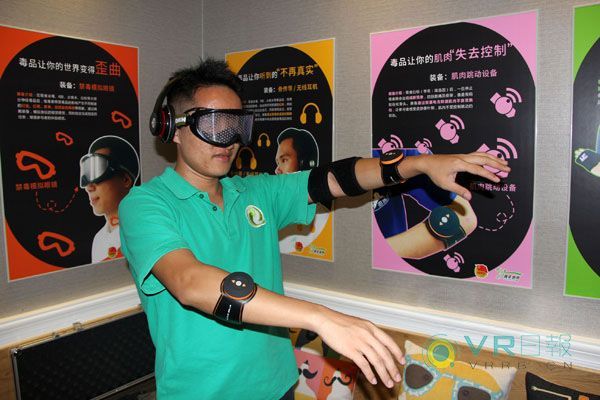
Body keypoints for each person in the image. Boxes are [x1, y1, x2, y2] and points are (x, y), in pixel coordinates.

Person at [118, 59, 509, 400]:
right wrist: (320, 318)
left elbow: (336, 178)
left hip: (276, 385)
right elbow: (190, 283)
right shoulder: (145, 205)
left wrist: (419, 164)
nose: (229, 140)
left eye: (236, 125)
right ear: (172, 129)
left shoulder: (255, 192)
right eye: (213, 124)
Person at [80, 135, 139, 263]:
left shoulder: (143, 230)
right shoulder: (99, 239)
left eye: (98, 170)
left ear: (125, 180)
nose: (89, 187)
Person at [274, 127, 330, 255]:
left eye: (284, 160)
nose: (277, 170)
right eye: (277, 162)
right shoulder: (272, 210)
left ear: (304, 164)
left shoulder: (323, 216)